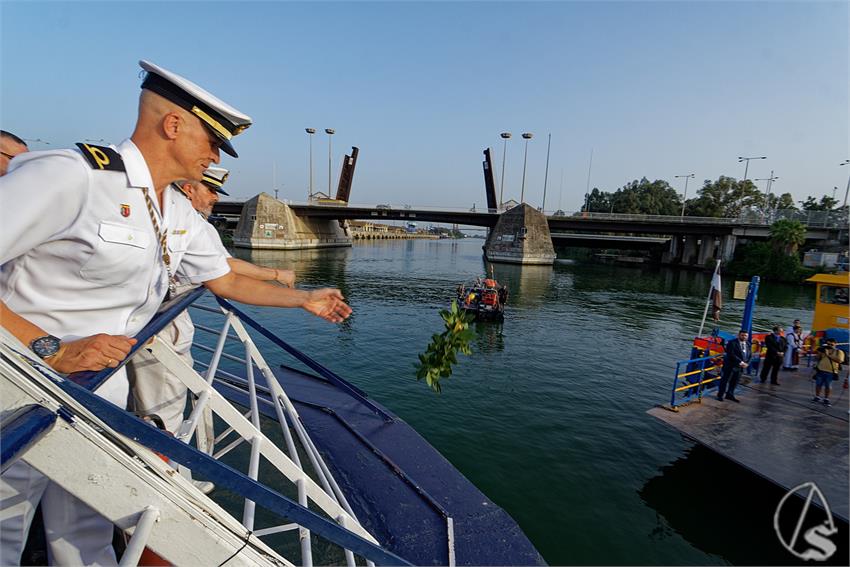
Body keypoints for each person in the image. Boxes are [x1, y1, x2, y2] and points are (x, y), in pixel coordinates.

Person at [0, 60, 350, 566]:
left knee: (86, 529)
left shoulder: (176, 209)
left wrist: (304, 298)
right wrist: (48, 346)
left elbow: (224, 279)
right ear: (173, 125)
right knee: (7, 531)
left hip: (103, 390)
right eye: (213, 140)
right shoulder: (73, 176)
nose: (215, 155)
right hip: (21, 384)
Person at [129, 166, 296, 438]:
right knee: (163, 408)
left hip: (153, 322)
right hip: (159, 327)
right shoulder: (191, 223)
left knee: (154, 401)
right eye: (210, 189)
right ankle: (167, 469)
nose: (215, 197)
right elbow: (225, 269)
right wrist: (277, 275)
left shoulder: (173, 218)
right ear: (188, 189)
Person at [716, 329, 751, 402]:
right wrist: (741, 362)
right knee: (725, 381)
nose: (744, 337)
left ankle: (730, 394)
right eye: (742, 335)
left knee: (735, 381)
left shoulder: (748, 344)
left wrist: (747, 363)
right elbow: (731, 354)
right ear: (739, 335)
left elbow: (749, 355)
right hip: (731, 366)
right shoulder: (732, 343)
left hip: (740, 367)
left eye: (746, 336)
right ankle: (720, 395)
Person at [813, 338, 845, 407]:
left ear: (835, 344)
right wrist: (819, 353)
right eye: (828, 344)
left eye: (831, 344)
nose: (829, 345)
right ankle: (817, 397)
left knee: (828, 386)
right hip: (820, 370)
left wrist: (828, 355)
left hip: (831, 372)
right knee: (818, 384)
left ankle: (826, 399)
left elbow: (839, 360)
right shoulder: (824, 350)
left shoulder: (839, 352)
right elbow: (817, 358)